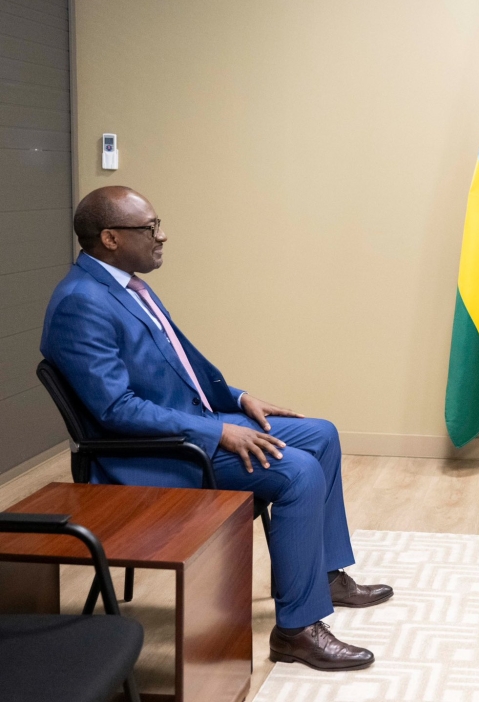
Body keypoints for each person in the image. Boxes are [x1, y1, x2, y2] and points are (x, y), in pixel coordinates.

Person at [41, 186, 392, 671]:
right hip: (150, 455)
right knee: (297, 473)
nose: (162, 236)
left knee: (321, 434)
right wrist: (219, 433)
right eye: (150, 228)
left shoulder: (128, 284)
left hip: (190, 426)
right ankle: (296, 630)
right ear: (110, 238)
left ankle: (325, 576)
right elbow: (116, 410)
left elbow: (186, 365)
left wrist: (240, 399)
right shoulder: (82, 302)